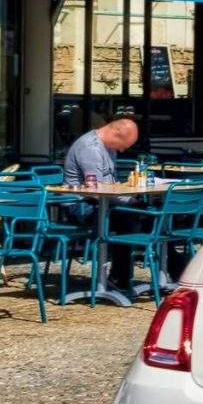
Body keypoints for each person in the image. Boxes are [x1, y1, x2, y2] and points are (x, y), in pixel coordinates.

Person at [61, 114, 142, 290]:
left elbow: (109, 186)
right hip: (82, 206)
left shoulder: (108, 147)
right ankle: (119, 277)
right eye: (123, 146)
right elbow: (99, 190)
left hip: (102, 203)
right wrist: (130, 199)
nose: (122, 151)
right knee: (129, 220)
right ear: (115, 135)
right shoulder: (91, 149)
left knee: (153, 216)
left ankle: (174, 269)